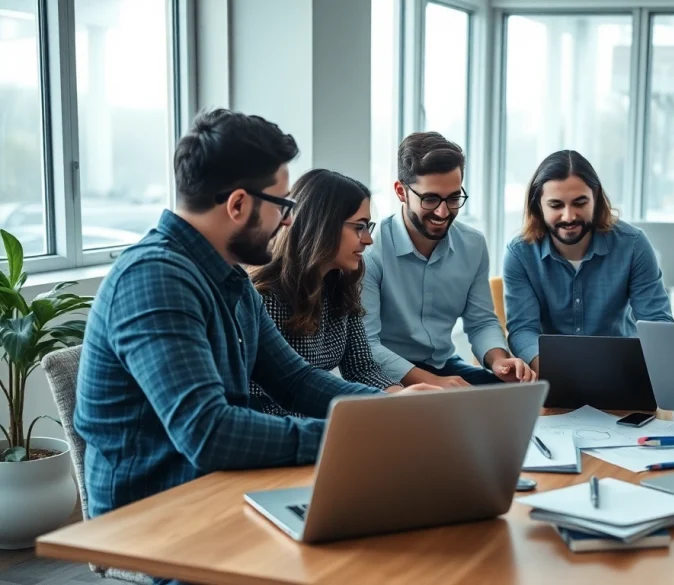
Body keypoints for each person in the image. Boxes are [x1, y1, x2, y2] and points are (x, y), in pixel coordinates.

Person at [74, 110, 437, 585]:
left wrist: (388, 412)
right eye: (282, 204)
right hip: (158, 516)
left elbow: (295, 379)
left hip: (219, 492)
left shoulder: (229, 278)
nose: (287, 219)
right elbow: (209, 433)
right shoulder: (155, 279)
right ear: (239, 204)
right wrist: (354, 437)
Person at [362, 131, 535, 387]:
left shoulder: (473, 245)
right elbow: (367, 345)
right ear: (401, 191)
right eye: (430, 199)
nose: (443, 212)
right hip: (385, 372)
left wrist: (500, 361)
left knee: (511, 393)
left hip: (442, 364)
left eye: (453, 198)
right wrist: (435, 384)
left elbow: (481, 322)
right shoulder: (370, 250)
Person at [248, 169, 403, 417]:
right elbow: (265, 399)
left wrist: (400, 398)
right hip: (281, 429)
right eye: (359, 227)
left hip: (315, 423)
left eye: (368, 227)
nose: (368, 240)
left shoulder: (340, 285)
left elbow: (361, 368)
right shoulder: (265, 297)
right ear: (323, 226)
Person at [503, 149, 674, 374]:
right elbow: (523, 329)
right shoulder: (519, 253)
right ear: (538, 206)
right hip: (551, 374)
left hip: (620, 372)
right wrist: (551, 369)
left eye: (580, 203)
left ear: (596, 200)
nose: (569, 216)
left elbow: (656, 322)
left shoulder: (633, 245)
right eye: (556, 205)